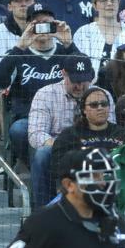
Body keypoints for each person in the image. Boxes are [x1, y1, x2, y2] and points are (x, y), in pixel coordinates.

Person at [0, 3, 78, 165]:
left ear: (55, 24)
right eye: (37, 24)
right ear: (28, 27)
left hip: (66, 115)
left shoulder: (66, 52)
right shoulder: (18, 54)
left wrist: (69, 44)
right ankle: (37, 168)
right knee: (18, 130)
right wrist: (20, 46)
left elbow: (87, 76)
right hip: (29, 118)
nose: (43, 28)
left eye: (47, 23)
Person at [28, 57, 102, 207]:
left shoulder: (101, 97)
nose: (80, 86)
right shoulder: (45, 94)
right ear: (63, 74)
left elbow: (109, 130)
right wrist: (63, 146)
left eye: (84, 81)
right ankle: (42, 213)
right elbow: (36, 133)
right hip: (57, 149)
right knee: (42, 154)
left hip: (93, 148)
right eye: (75, 81)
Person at [50, 86, 125, 180]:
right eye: (94, 105)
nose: (100, 108)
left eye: (104, 104)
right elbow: (58, 167)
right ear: (84, 110)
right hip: (84, 185)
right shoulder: (69, 136)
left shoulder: (123, 133)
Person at [75, 0, 125, 72]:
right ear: (94, 6)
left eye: (113, 0)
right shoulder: (83, 33)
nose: (109, 3)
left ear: (119, 3)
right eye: (104, 0)